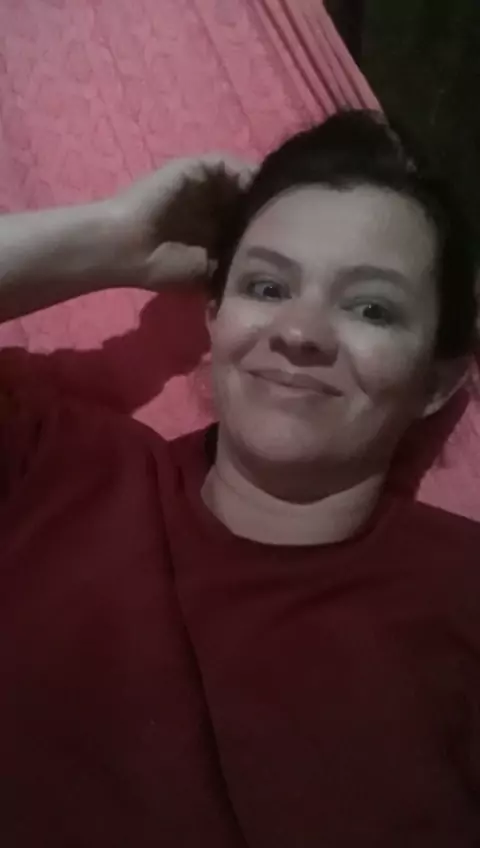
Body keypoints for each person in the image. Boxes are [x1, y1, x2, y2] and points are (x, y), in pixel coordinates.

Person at [0, 109, 479, 847]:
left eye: (372, 308)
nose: (299, 333)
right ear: (215, 319)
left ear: (438, 384)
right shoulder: (60, 464)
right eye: (266, 287)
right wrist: (110, 238)